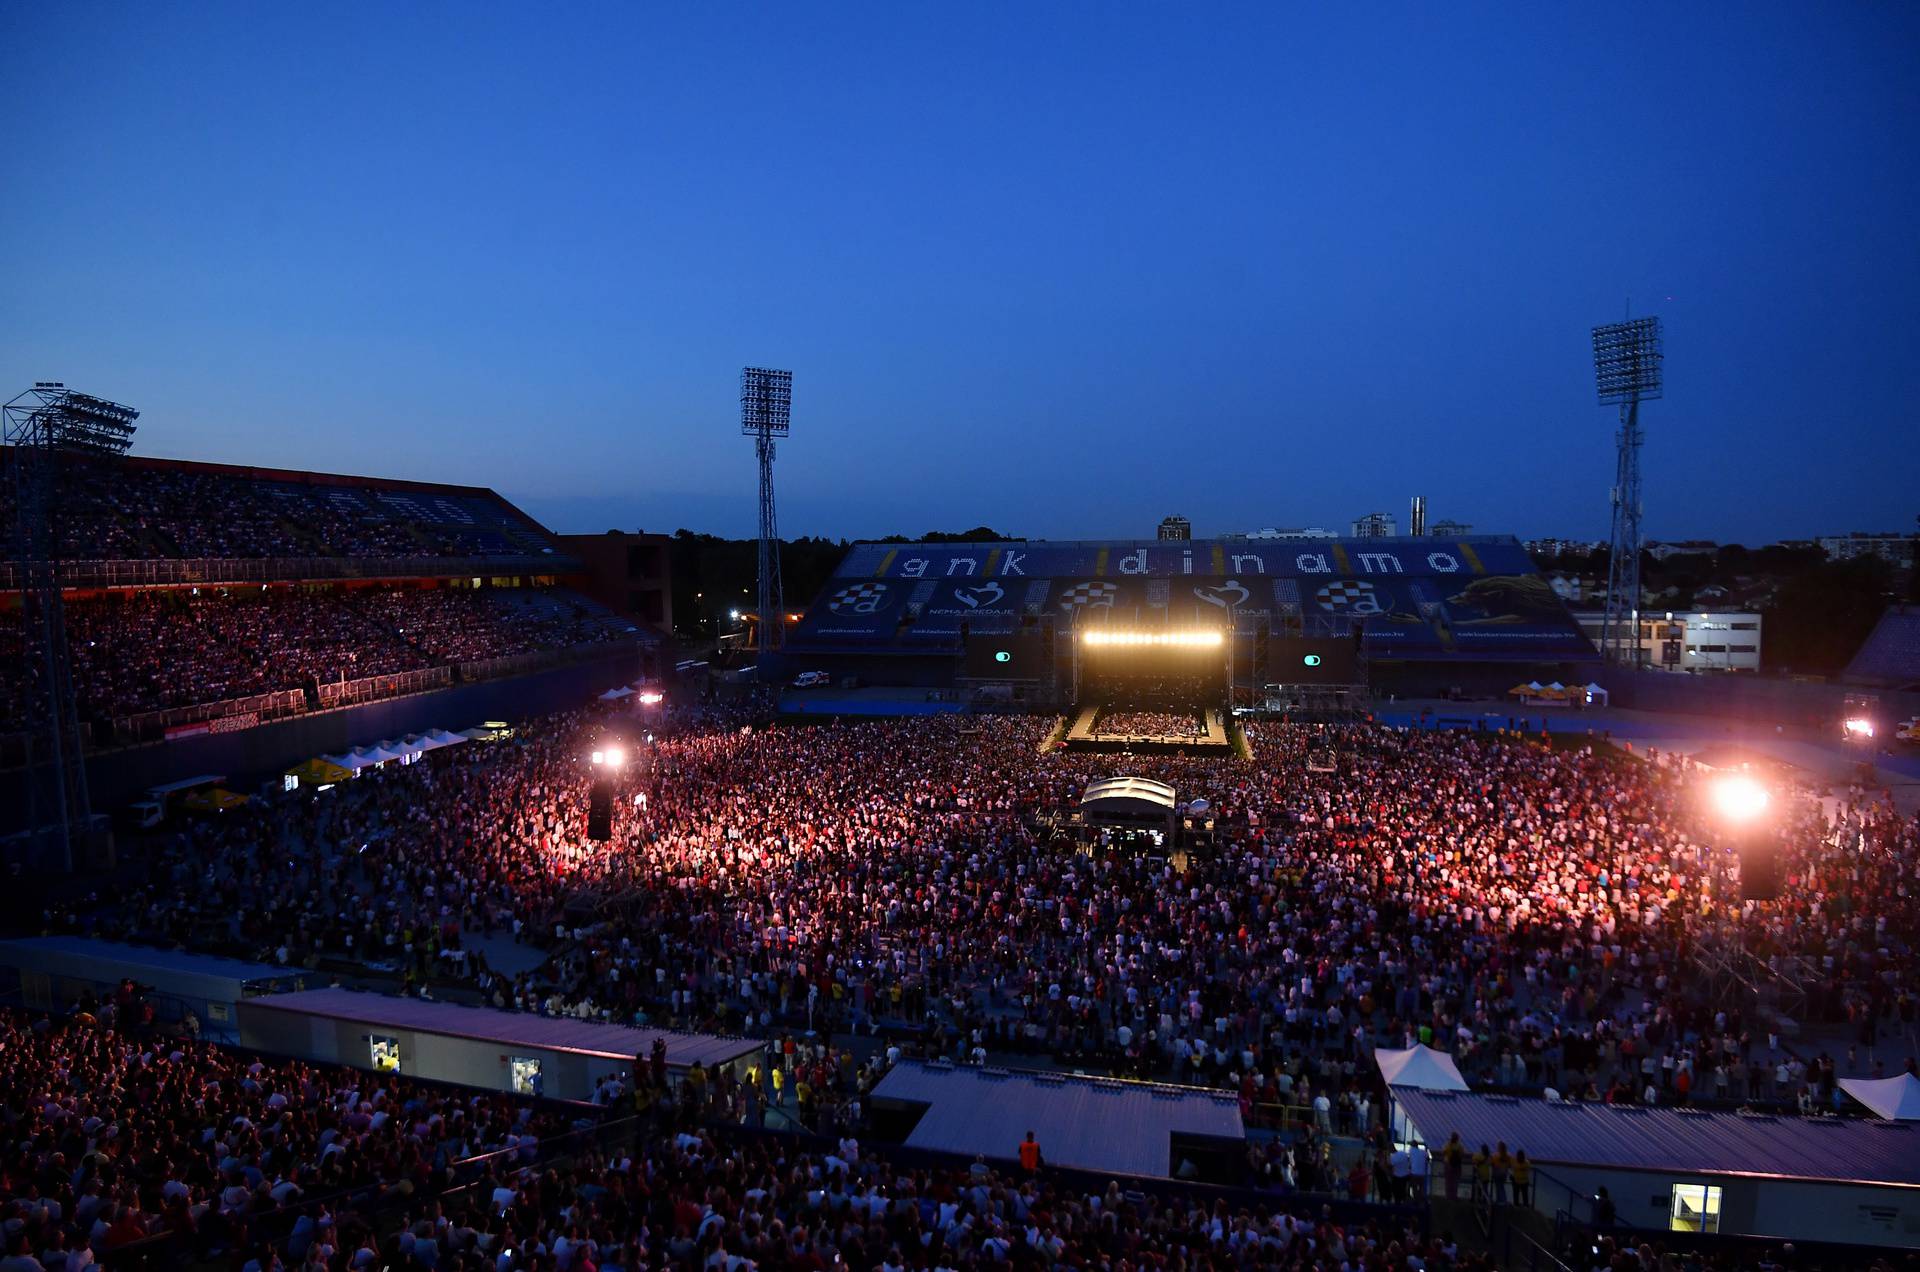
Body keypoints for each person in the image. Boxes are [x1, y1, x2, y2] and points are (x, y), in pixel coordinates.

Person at [1441, 1132, 1465, 1200]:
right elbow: (1462, 1154)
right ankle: (1454, 1196)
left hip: (1448, 1165)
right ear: (1457, 1139)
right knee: (1455, 1182)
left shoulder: (1447, 1145)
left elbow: (1443, 1152)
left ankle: (1448, 1196)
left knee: (1448, 1181)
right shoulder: (1459, 1146)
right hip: (1457, 1165)